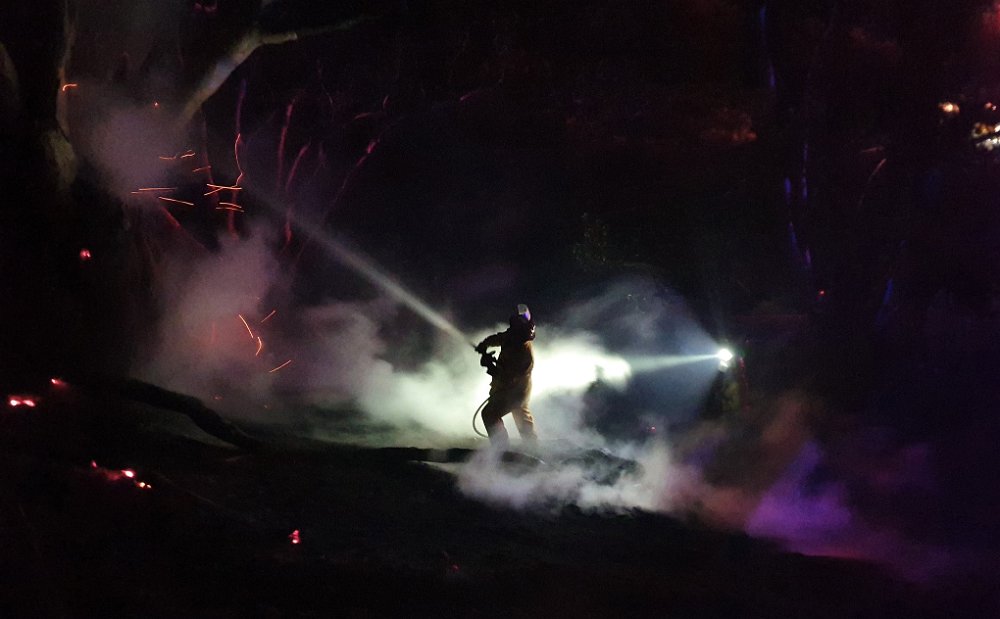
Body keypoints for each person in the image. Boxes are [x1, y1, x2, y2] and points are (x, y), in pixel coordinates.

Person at [475, 304, 537, 449]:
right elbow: (501, 338)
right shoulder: (515, 336)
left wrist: (490, 366)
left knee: (489, 414)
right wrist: (485, 344)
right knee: (522, 417)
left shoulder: (523, 353)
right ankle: (533, 447)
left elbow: (509, 377)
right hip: (518, 390)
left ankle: (501, 449)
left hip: (514, 391)